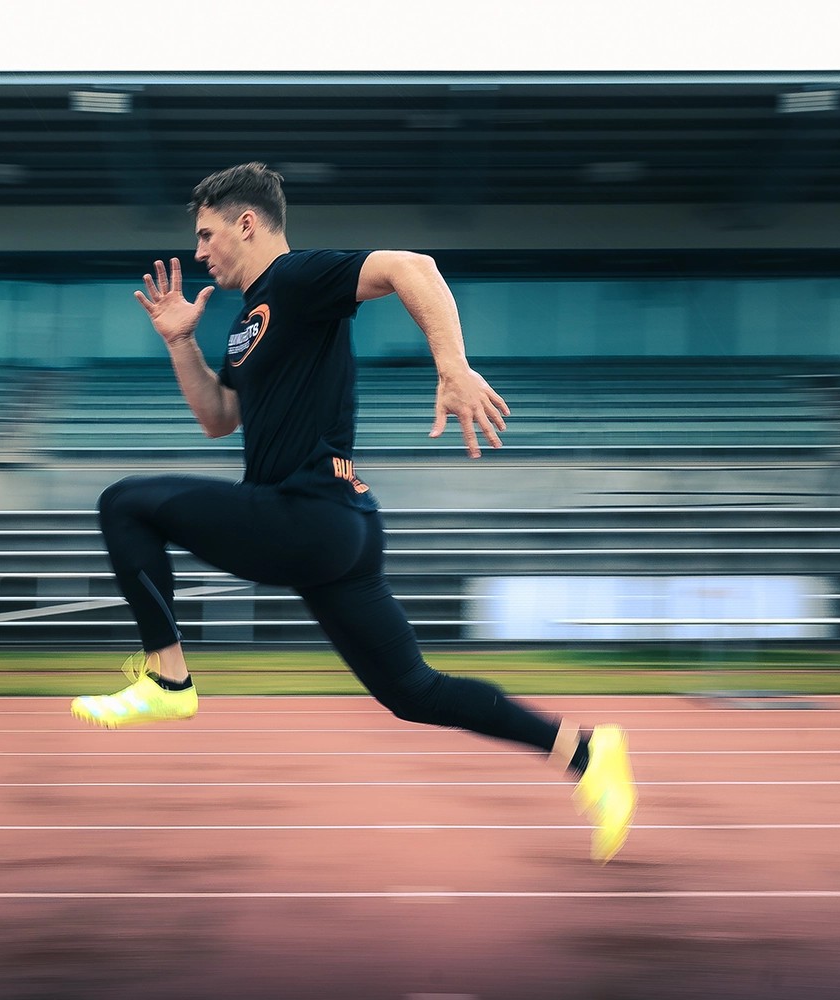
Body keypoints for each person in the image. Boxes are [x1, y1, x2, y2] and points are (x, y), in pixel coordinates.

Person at [70, 162, 636, 863]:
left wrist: (453, 367)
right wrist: (180, 341)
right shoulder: (249, 321)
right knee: (414, 692)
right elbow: (218, 417)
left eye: (207, 234)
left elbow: (412, 267)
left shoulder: (298, 277)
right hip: (336, 526)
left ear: (246, 223)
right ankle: (586, 752)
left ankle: (168, 679)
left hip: (306, 510)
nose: (198, 251)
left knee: (124, 503)